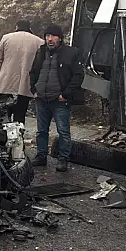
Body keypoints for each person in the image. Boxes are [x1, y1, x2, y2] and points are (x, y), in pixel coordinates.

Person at [29, 24, 85, 172]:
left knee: (63, 131)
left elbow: (78, 75)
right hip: (41, 99)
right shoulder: (41, 52)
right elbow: (33, 72)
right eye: (47, 36)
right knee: (41, 131)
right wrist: (34, 90)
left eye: (53, 36)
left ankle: (63, 159)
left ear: (60, 38)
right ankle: (41, 156)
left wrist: (66, 94)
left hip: (60, 100)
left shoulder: (71, 53)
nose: (50, 39)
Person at [0, 20, 44, 123]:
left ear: (16, 27)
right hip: (25, 84)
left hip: (5, 82)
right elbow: (40, 65)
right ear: (30, 28)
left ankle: (3, 136)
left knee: (3, 113)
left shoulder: (6, 38)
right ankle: (18, 136)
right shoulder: (39, 42)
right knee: (20, 114)